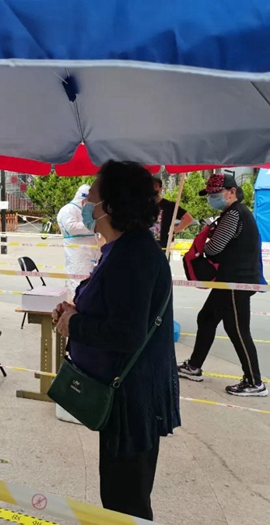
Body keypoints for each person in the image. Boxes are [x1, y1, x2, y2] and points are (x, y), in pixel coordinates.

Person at [52, 161, 180, 520]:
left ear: (110, 206)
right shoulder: (122, 249)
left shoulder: (133, 256)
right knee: (120, 495)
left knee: (125, 503)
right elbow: (115, 309)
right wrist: (76, 311)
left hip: (132, 398)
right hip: (126, 393)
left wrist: (75, 325)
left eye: (91, 197)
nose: (85, 206)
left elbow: (126, 333)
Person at [178, 174, 267, 397]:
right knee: (207, 318)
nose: (212, 197)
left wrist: (207, 238)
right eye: (210, 194)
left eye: (215, 193)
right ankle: (194, 366)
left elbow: (213, 249)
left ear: (232, 192)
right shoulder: (235, 213)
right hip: (229, 280)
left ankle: (254, 381)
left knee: (237, 328)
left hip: (237, 282)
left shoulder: (234, 214)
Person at [56, 185, 99, 297]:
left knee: (91, 281)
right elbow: (71, 228)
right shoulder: (67, 210)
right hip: (77, 253)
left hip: (91, 252)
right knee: (78, 280)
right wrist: (91, 225)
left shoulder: (86, 211)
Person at [150, 177, 194, 249]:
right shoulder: (142, 205)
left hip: (162, 247)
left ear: (161, 189)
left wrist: (173, 231)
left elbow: (188, 218)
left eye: (155, 187)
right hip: (144, 245)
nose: (152, 190)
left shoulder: (169, 205)